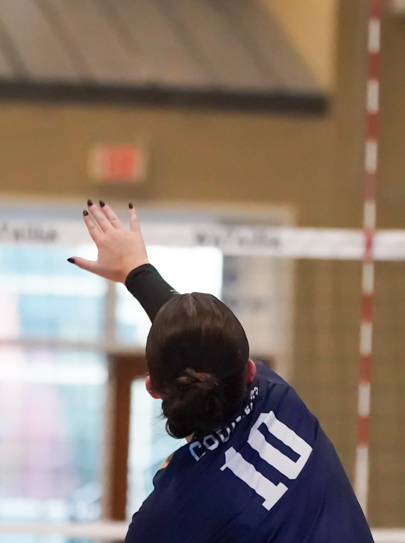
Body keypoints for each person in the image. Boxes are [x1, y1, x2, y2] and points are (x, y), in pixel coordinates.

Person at [69, 200, 374, 543]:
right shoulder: (277, 398)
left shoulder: (164, 518)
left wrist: (137, 271)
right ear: (249, 371)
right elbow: (201, 343)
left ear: (152, 388)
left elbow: (193, 342)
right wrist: (137, 271)